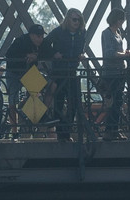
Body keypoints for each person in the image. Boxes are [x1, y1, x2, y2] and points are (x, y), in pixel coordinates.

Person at [43, 9, 87, 142]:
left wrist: (81, 54)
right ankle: (62, 133)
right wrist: (54, 53)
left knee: (74, 102)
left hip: (72, 71)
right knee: (59, 102)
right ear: (68, 19)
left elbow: (80, 48)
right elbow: (45, 44)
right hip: (60, 71)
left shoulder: (81, 33)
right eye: (74, 19)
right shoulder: (58, 32)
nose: (77, 22)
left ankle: (66, 129)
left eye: (79, 20)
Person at [3, 24, 44, 141]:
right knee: (12, 101)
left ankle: (33, 123)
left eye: (41, 36)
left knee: (38, 95)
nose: (40, 39)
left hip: (29, 72)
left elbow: (48, 52)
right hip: (14, 73)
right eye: (38, 36)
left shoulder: (40, 45)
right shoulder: (20, 41)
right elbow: (9, 55)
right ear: (31, 35)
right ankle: (14, 131)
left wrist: (36, 56)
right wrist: (26, 56)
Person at [100, 8, 130, 141]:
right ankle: (110, 130)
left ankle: (114, 130)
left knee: (118, 101)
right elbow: (109, 53)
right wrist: (125, 55)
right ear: (115, 19)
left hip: (119, 72)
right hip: (110, 73)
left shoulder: (118, 33)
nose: (122, 22)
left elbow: (117, 51)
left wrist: (125, 52)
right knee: (113, 102)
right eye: (121, 19)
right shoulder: (106, 33)